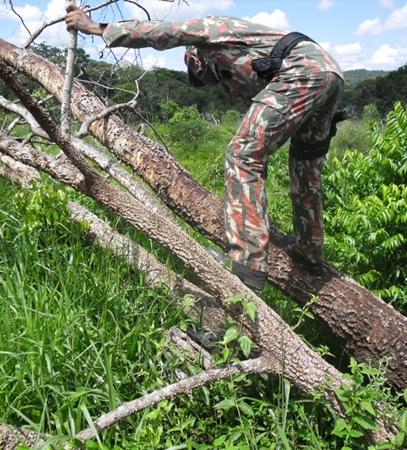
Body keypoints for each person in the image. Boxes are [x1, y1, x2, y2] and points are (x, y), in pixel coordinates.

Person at [66, 5, 345, 291]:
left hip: (302, 70)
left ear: (194, 59)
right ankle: (309, 252)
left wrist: (98, 28)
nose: (218, 86)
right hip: (329, 74)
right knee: (305, 167)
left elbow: (166, 32)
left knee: (243, 155)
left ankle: (246, 265)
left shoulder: (211, 30)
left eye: (209, 78)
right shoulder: (245, 49)